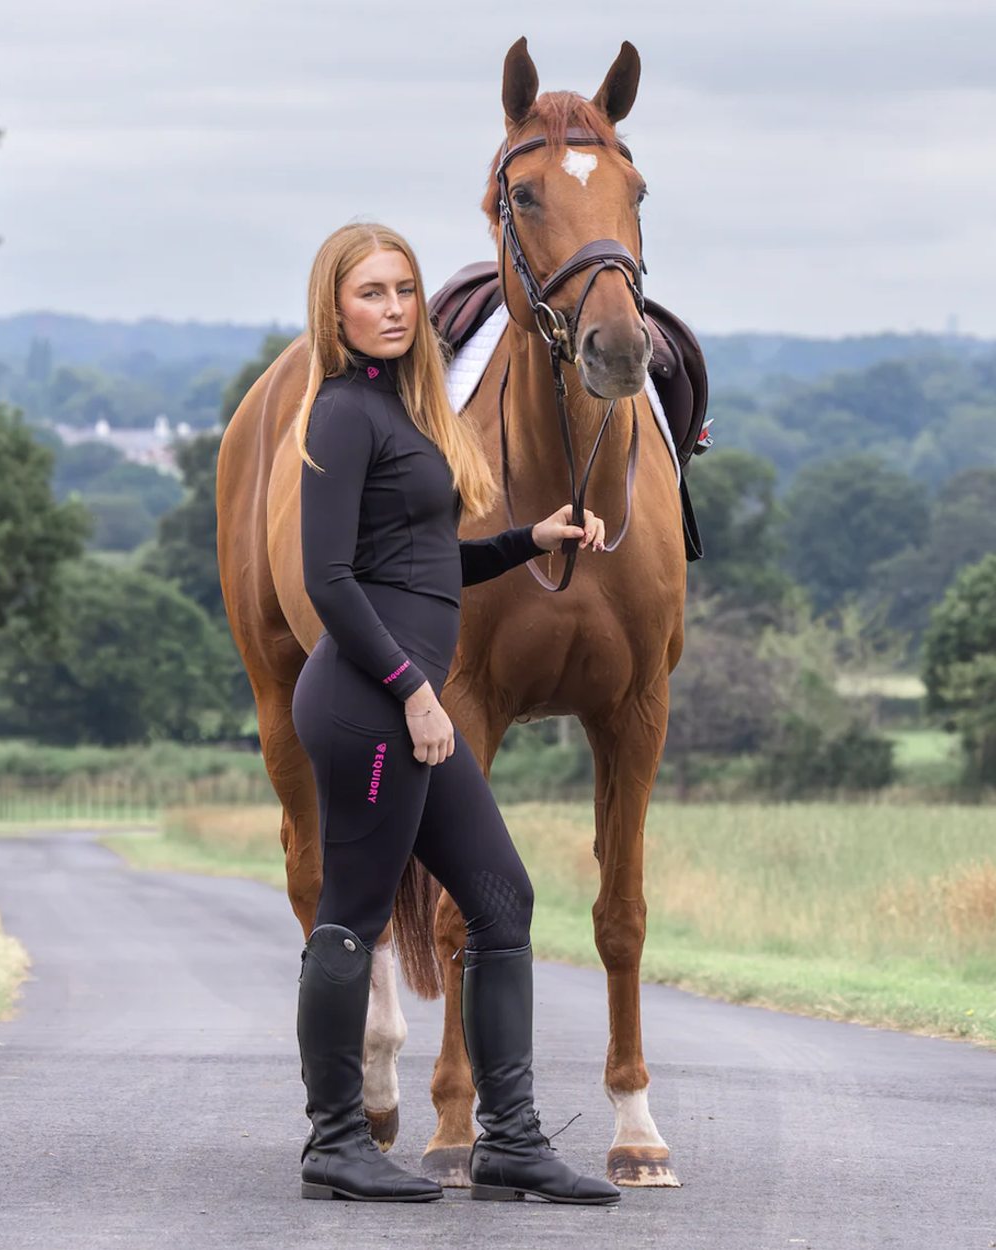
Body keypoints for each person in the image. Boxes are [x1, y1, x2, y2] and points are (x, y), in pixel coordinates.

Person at [289, 221, 621, 1207]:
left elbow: (427, 564)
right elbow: (331, 579)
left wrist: (531, 537)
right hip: (367, 704)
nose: (392, 308)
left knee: (501, 899)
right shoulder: (345, 413)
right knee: (350, 913)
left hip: (398, 702)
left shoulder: (404, 410)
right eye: (369, 293)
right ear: (334, 310)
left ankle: (511, 1140)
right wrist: (414, 690)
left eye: (403, 290)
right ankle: (335, 1143)